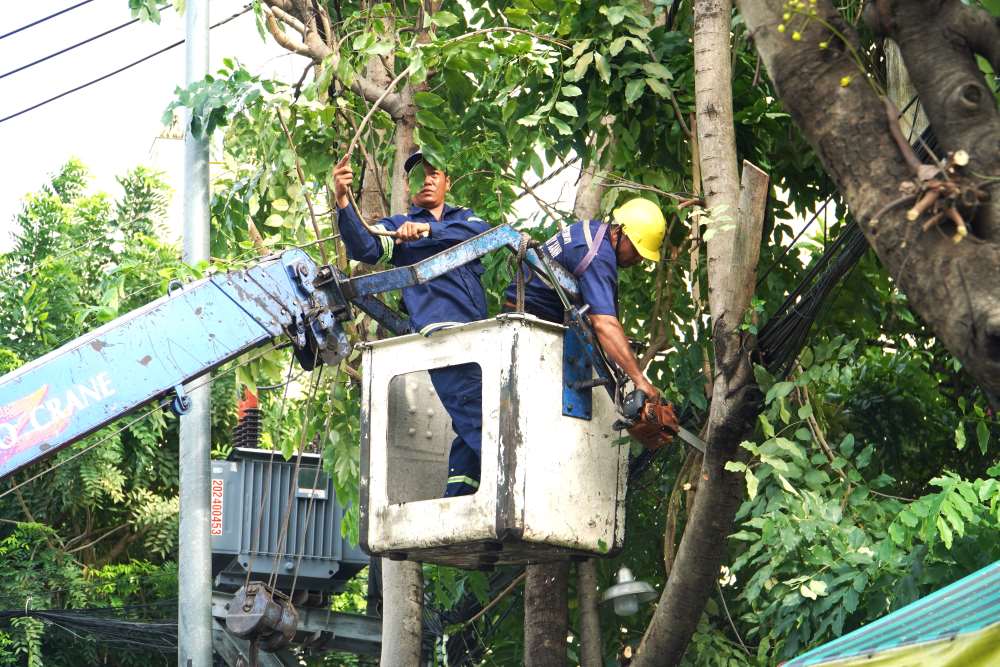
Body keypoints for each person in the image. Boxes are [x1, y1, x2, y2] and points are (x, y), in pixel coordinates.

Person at [332, 150, 488, 497]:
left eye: (435, 173)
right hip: (442, 336)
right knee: (485, 421)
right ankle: (514, 483)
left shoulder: (466, 220)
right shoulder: (396, 226)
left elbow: (478, 235)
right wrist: (343, 201)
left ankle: (458, 499)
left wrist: (427, 230)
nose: (428, 178)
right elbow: (367, 247)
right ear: (409, 184)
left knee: (474, 421)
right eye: (421, 174)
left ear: (447, 182)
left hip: (480, 340)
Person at [503, 197, 667, 400]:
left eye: (643, 255)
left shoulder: (594, 231)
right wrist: (640, 381)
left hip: (531, 313)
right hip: (531, 318)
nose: (638, 258)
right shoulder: (598, 255)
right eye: (636, 249)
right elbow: (604, 324)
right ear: (620, 232)